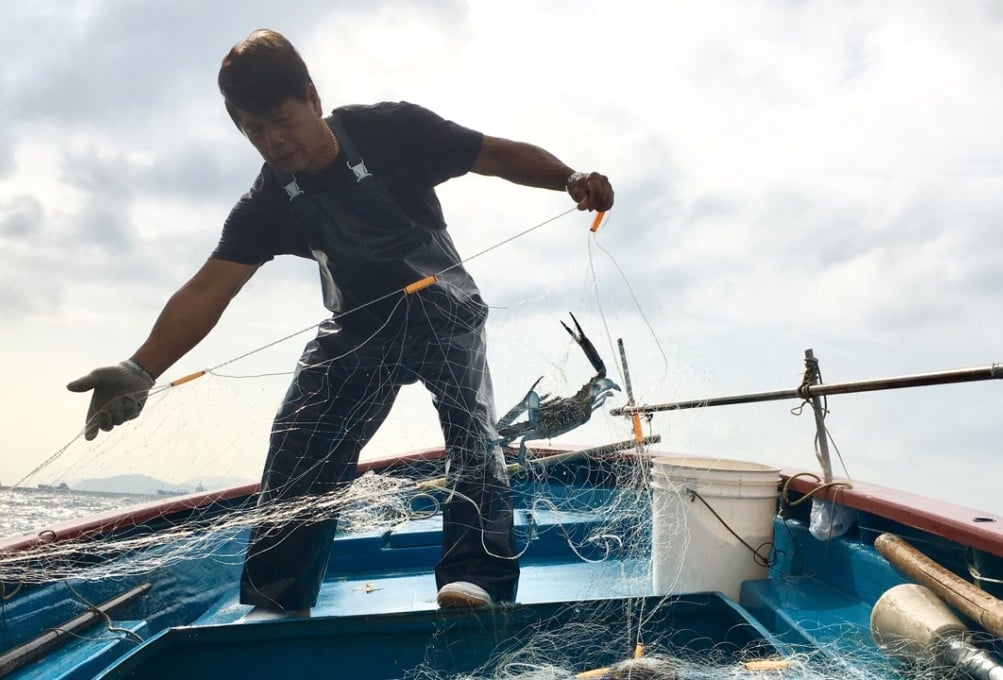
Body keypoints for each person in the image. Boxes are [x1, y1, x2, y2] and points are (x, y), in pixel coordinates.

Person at [67, 29, 614, 616]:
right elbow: (208, 288)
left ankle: (474, 578)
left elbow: (495, 154)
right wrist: (140, 366)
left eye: (282, 119)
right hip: (358, 326)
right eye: (254, 130)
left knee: (472, 430)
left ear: (312, 97)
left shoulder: (393, 130)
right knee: (299, 436)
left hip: (443, 308)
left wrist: (568, 178)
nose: (274, 142)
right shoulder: (267, 203)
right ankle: (279, 597)